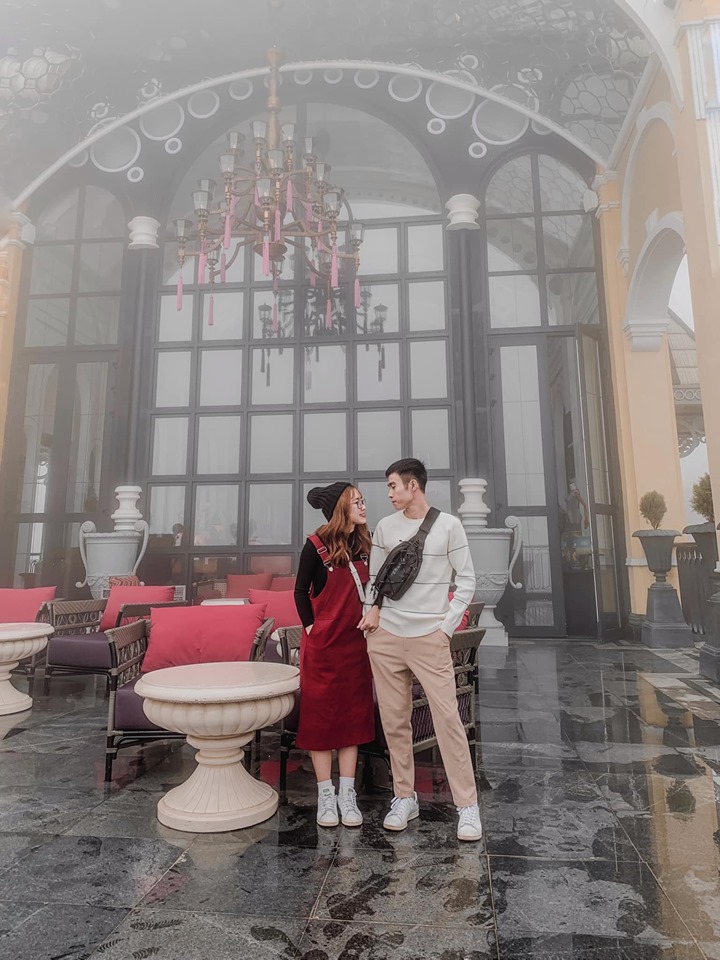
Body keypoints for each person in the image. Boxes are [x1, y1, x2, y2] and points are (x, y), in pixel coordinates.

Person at [358, 458, 482, 842]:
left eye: (393, 486)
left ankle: (467, 806)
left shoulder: (449, 526)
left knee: (448, 720)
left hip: (430, 636)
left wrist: (445, 628)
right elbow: (375, 580)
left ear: (414, 486)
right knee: (395, 721)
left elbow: (467, 580)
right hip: (386, 638)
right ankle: (403, 797)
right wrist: (370, 615)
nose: (389, 494)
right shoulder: (385, 527)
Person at [294, 481, 375, 828]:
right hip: (323, 649)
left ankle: (347, 794)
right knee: (320, 722)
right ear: (341, 507)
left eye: (363, 500)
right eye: (357, 502)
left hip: (356, 647)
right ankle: (325, 795)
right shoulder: (315, 546)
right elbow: (300, 592)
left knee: (352, 721)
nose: (364, 506)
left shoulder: (366, 545)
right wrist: (313, 628)